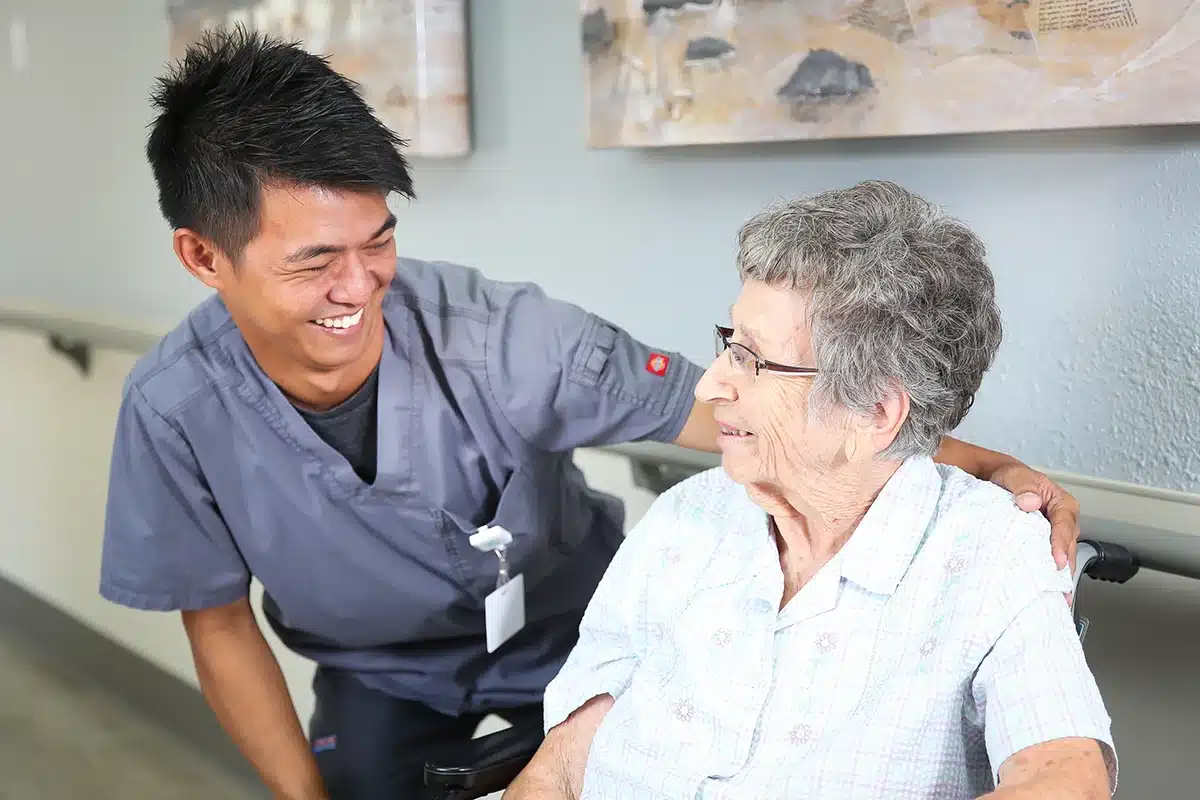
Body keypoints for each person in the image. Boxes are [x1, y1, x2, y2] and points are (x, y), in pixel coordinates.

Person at [99, 29, 1085, 800]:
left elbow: (742, 407)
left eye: (380, 239)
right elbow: (220, 622)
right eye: (316, 260)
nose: (362, 284)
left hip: (566, 634)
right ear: (203, 256)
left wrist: (980, 461)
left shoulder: (510, 338)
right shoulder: (176, 409)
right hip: (380, 679)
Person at [508, 181, 1116, 800]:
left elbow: (1065, 779)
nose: (710, 385)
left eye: (753, 359)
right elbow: (561, 764)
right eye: (729, 343)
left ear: (875, 413)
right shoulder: (684, 519)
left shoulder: (990, 552)